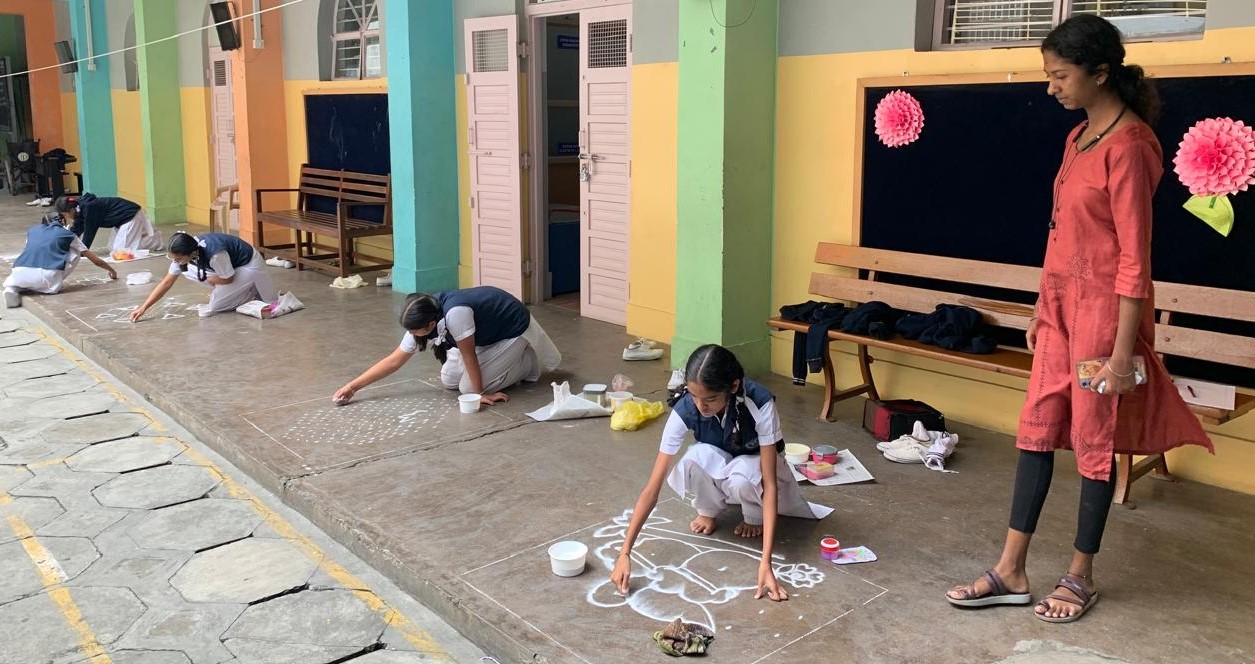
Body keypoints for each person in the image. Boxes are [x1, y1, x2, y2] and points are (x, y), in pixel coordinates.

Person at [945, 14, 1212, 623]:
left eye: (1060, 75)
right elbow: (1060, 235)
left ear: (1101, 73)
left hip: (1104, 322)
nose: (1051, 87)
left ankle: (1079, 575)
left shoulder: (1131, 146)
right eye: (1049, 75)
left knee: (1095, 440)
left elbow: (1135, 260)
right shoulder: (1078, 138)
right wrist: (1043, 307)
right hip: (1061, 315)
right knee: (1036, 430)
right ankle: (1011, 569)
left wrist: (1121, 355)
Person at [609, 344, 833, 603]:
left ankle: (754, 515)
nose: (701, 406)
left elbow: (770, 484)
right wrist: (625, 552)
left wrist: (766, 563)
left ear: (733, 386)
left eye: (710, 399)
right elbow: (652, 489)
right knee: (693, 457)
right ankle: (708, 509)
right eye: (694, 396)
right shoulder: (686, 408)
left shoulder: (759, 402)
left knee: (744, 474)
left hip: (755, 472)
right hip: (724, 465)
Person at [333, 286, 561, 407]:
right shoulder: (423, 316)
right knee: (449, 380)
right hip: (486, 336)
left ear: (430, 325)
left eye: (414, 331)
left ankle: (526, 362)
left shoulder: (456, 314)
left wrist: (479, 394)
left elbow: (469, 355)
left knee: (467, 390)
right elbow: (394, 360)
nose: (411, 335)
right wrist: (353, 387)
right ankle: (510, 362)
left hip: (512, 331)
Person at [129, 231, 276, 321]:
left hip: (248, 265)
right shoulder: (186, 252)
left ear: (191, 254)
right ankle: (236, 290)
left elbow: (228, 278)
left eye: (178, 259)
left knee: (218, 306)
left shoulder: (215, 254)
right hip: (228, 268)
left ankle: (249, 291)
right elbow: (167, 282)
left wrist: (211, 279)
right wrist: (143, 307)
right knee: (186, 270)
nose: (176, 262)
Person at [3, 213, 117, 308]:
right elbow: (96, 260)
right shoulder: (68, 234)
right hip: (47, 278)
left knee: (22, 277)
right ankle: (48, 284)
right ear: (62, 222)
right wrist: (112, 271)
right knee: (77, 249)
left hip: (19, 271)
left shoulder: (32, 231)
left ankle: (12, 288)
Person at [56, 193, 163, 253]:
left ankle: (154, 241)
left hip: (130, 215)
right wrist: (63, 244)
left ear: (71, 210)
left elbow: (89, 231)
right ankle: (147, 238)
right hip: (119, 221)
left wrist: (83, 252)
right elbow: (76, 229)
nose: (67, 218)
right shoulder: (80, 210)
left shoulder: (89, 208)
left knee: (121, 251)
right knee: (112, 248)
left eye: (65, 215)